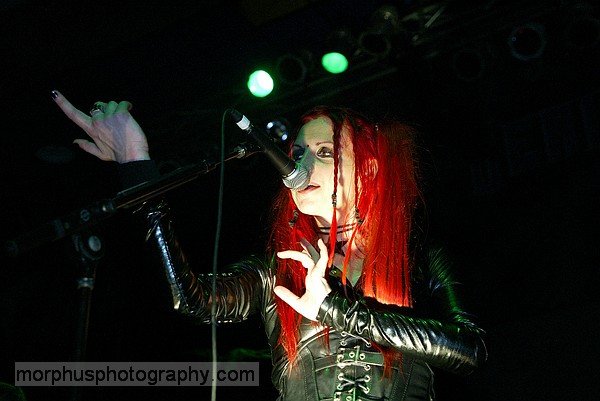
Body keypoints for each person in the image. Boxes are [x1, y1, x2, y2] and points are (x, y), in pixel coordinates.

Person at [51, 90, 487, 400]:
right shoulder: (277, 269)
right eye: (298, 153)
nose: (302, 163)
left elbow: (470, 351)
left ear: (370, 170)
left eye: (325, 152)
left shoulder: (421, 259)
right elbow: (193, 299)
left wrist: (336, 310)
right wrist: (136, 167)